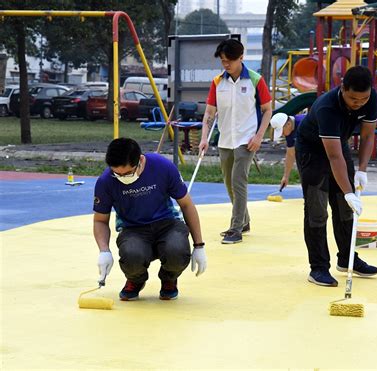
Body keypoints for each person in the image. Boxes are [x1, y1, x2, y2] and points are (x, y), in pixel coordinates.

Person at [295, 65, 377, 287]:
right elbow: (333, 158)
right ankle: (319, 268)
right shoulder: (327, 107)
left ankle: (348, 258)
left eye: (363, 99)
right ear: (342, 88)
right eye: (353, 98)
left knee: (345, 208)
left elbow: (368, 135)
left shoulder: (370, 99)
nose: (358, 103)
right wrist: (349, 192)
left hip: (337, 144)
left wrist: (362, 169)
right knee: (317, 210)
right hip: (313, 150)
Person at [93, 138, 207, 301]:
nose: (122, 177)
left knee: (177, 251)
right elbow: (100, 220)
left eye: (127, 173)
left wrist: (199, 246)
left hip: (167, 224)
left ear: (140, 160)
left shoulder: (162, 167)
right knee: (132, 255)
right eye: (117, 174)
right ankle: (135, 280)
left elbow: (186, 204)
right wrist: (104, 251)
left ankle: (169, 278)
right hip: (133, 229)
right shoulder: (106, 181)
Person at [199, 39, 272, 244]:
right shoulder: (217, 82)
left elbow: (267, 111)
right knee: (229, 183)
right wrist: (204, 137)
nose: (226, 65)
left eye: (229, 61)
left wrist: (259, 137)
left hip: (246, 140)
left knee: (239, 181)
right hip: (225, 140)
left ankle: (235, 229)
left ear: (241, 57)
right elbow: (209, 113)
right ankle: (244, 221)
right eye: (223, 61)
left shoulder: (256, 80)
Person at [270, 112, 305, 191]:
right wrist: (286, 176)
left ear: (288, 124)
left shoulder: (303, 123)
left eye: (282, 131)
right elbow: (290, 154)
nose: (282, 134)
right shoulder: (289, 132)